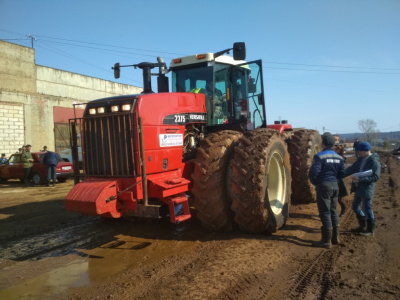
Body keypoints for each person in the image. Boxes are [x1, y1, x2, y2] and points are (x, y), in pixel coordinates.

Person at [309, 132, 345, 248]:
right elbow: (342, 173)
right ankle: (336, 238)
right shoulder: (339, 157)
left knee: (325, 212)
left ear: (323, 143)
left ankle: (326, 241)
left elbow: (314, 172)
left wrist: (316, 183)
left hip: (324, 186)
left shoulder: (319, 156)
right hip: (335, 186)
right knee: (334, 211)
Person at [343, 142, 380, 236]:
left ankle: (370, 229)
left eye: (360, 151)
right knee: (355, 206)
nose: (359, 153)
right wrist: (339, 175)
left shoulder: (374, 162)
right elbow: (351, 169)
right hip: (359, 187)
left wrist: (360, 178)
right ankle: (363, 225)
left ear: (367, 150)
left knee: (367, 208)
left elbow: (375, 177)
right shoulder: (360, 160)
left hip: (367, 188)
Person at [334, 145, 348, 217]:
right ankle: (333, 213)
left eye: (336, 150)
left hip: (340, 180)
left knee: (340, 198)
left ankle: (344, 208)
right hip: (333, 179)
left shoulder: (341, 158)